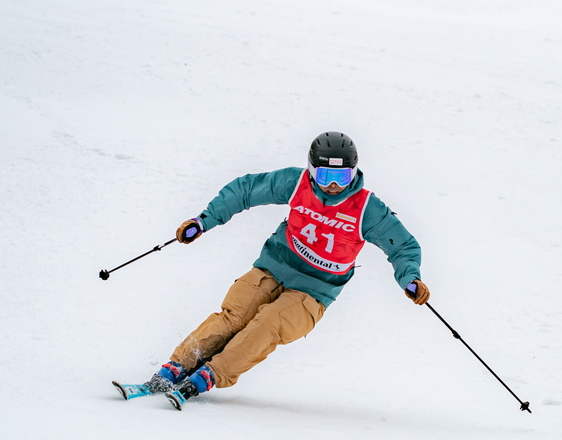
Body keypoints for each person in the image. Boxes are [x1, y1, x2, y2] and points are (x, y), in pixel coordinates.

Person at [143, 131, 430, 399]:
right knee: (235, 317)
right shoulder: (296, 184)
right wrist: (203, 221)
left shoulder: (367, 209)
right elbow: (246, 190)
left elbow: (402, 246)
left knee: (267, 324)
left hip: (314, 291)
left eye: (342, 177)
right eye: (325, 175)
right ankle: (177, 366)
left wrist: (410, 278)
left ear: (354, 173)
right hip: (272, 267)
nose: (333, 185)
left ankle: (210, 375)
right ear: (311, 170)